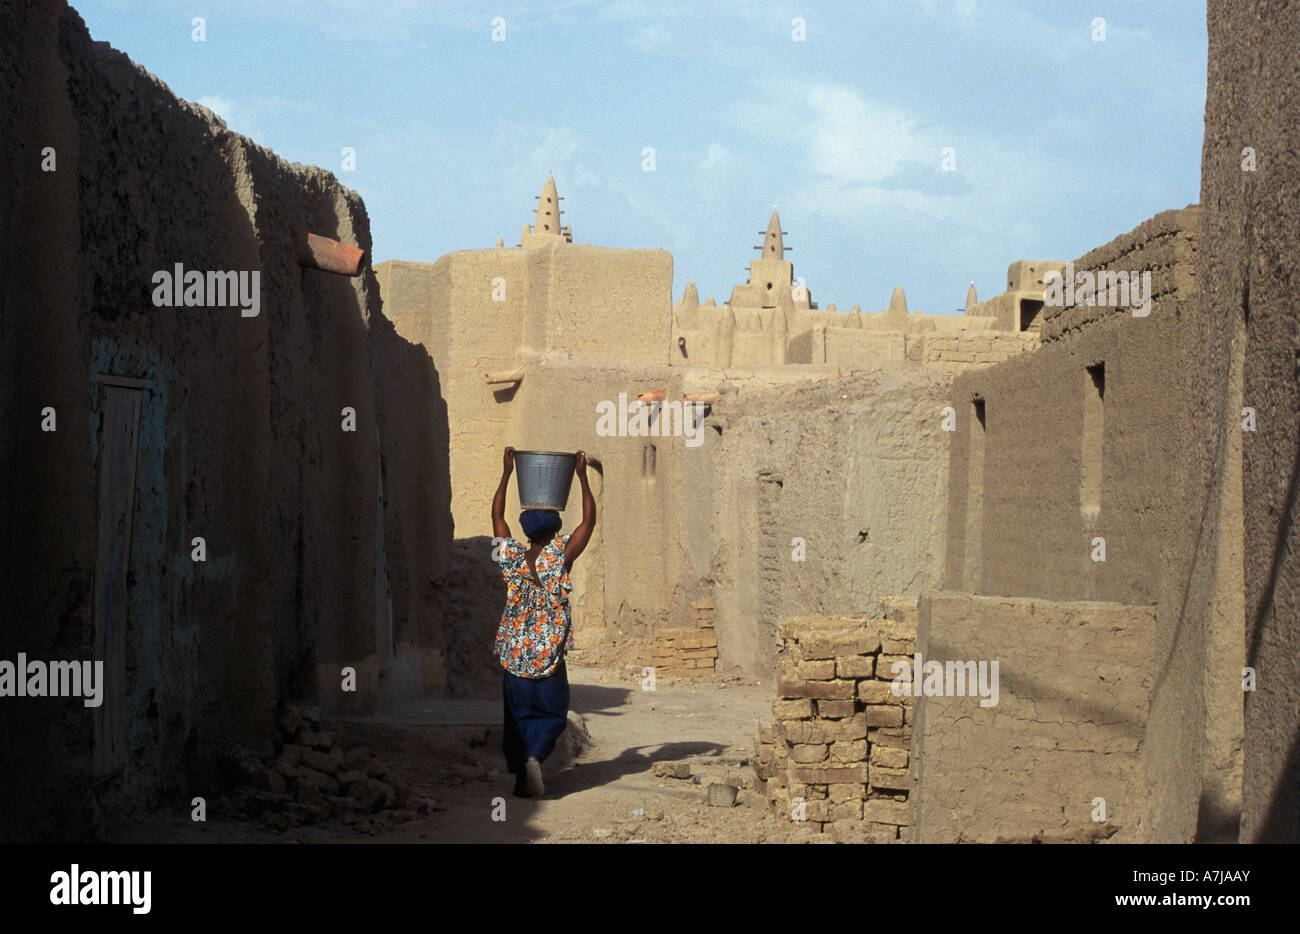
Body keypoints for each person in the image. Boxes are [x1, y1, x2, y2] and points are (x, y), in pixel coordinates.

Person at [490, 446, 596, 798]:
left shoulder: (512, 559)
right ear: (555, 528)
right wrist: (581, 477)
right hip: (548, 657)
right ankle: (536, 755)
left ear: (527, 530)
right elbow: (588, 523)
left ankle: (523, 771)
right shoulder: (559, 558)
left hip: (515, 657)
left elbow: (497, 517)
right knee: (551, 713)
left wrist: (507, 473)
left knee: (518, 719)